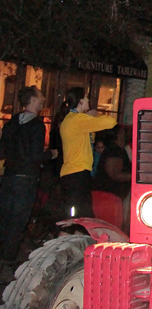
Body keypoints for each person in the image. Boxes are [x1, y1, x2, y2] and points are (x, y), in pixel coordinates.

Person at [0, 86, 57, 266]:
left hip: (9, 176)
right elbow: (33, 156)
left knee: (4, 218)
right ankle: (7, 261)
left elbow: (2, 150)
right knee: (17, 222)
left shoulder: (11, 123)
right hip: (26, 179)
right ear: (32, 99)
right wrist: (51, 154)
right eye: (40, 97)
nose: (43, 100)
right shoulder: (37, 125)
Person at [58, 87, 117, 218]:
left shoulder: (76, 119)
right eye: (86, 97)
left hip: (78, 174)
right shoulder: (77, 120)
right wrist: (94, 115)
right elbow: (111, 122)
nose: (88, 100)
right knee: (72, 221)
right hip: (75, 175)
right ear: (80, 101)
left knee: (83, 219)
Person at [93, 126, 132, 231]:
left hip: (109, 197)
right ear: (119, 135)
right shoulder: (114, 150)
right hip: (108, 198)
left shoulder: (116, 150)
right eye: (124, 132)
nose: (127, 134)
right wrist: (136, 177)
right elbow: (114, 174)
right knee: (110, 232)